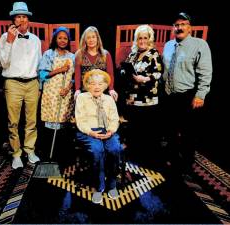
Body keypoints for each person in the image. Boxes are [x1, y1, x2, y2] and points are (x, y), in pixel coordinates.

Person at [162, 12, 212, 173]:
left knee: (187, 133)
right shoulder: (168, 45)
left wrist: (200, 94)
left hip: (187, 95)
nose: (179, 27)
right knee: (169, 130)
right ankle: (173, 159)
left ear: (190, 27)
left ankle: (187, 163)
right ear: (173, 28)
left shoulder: (200, 44)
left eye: (183, 24)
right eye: (176, 25)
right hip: (168, 94)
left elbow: (206, 72)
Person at [0, 2, 42, 169]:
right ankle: (16, 153)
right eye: (18, 16)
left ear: (28, 20)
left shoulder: (36, 40)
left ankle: (29, 150)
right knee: (13, 121)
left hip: (32, 83)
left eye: (24, 16)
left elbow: (39, 64)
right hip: (13, 83)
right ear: (13, 20)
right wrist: (9, 41)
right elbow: (2, 63)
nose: (22, 20)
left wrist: (40, 84)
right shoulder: (4, 37)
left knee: (31, 121)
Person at [75, 69, 123, 204]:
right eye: (93, 84)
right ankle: (99, 186)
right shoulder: (81, 98)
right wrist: (91, 132)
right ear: (87, 85)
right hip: (88, 131)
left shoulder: (108, 99)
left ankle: (112, 183)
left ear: (105, 86)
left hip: (107, 130)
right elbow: (80, 120)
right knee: (97, 151)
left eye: (100, 84)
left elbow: (114, 119)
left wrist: (111, 131)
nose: (96, 87)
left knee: (114, 149)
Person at [119, 25, 163, 166]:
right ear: (136, 40)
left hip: (147, 99)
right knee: (134, 129)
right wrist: (124, 72)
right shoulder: (133, 54)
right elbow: (125, 70)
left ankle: (146, 160)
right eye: (140, 38)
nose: (142, 41)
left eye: (145, 38)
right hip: (132, 99)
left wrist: (144, 79)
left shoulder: (153, 53)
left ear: (149, 39)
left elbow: (158, 73)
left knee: (146, 131)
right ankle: (134, 157)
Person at [38, 26, 75, 163]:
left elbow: (74, 77)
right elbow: (42, 74)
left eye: (65, 38)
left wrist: (68, 88)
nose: (63, 40)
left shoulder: (72, 57)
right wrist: (60, 69)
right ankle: (49, 154)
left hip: (65, 94)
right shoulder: (49, 54)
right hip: (51, 93)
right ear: (55, 39)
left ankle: (62, 155)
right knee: (51, 123)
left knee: (63, 125)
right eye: (60, 38)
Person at [74, 26, 118, 101]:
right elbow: (77, 74)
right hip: (85, 91)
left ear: (97, 39)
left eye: (93, 37)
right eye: (88, 37)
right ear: (85, 40)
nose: (91, 40)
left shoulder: (105, 54)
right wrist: (77, 89)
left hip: (101, 91)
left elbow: (110, 74)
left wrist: (111, 89)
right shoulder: (79, 54)